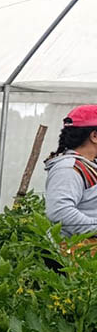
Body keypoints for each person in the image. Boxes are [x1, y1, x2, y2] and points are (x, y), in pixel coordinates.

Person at [44, 105, 97, 245]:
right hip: (76, 251)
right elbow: (60, 212)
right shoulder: (68, 168)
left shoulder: (88, 165)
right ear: (94, 136)